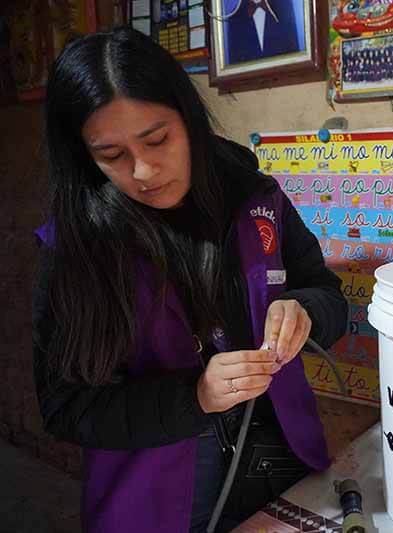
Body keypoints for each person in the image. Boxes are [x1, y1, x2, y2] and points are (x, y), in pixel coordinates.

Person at [32, 27, 348, 532]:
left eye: (157, 139)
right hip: (158, 494)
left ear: (189, 117)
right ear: (84, 155)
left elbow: (326, 293)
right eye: (111, 155)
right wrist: (194, 396)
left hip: (282, 453)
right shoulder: (76, 249)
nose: (143, 171)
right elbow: (65, 405)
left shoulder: (254, 197)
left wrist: (306, 311)